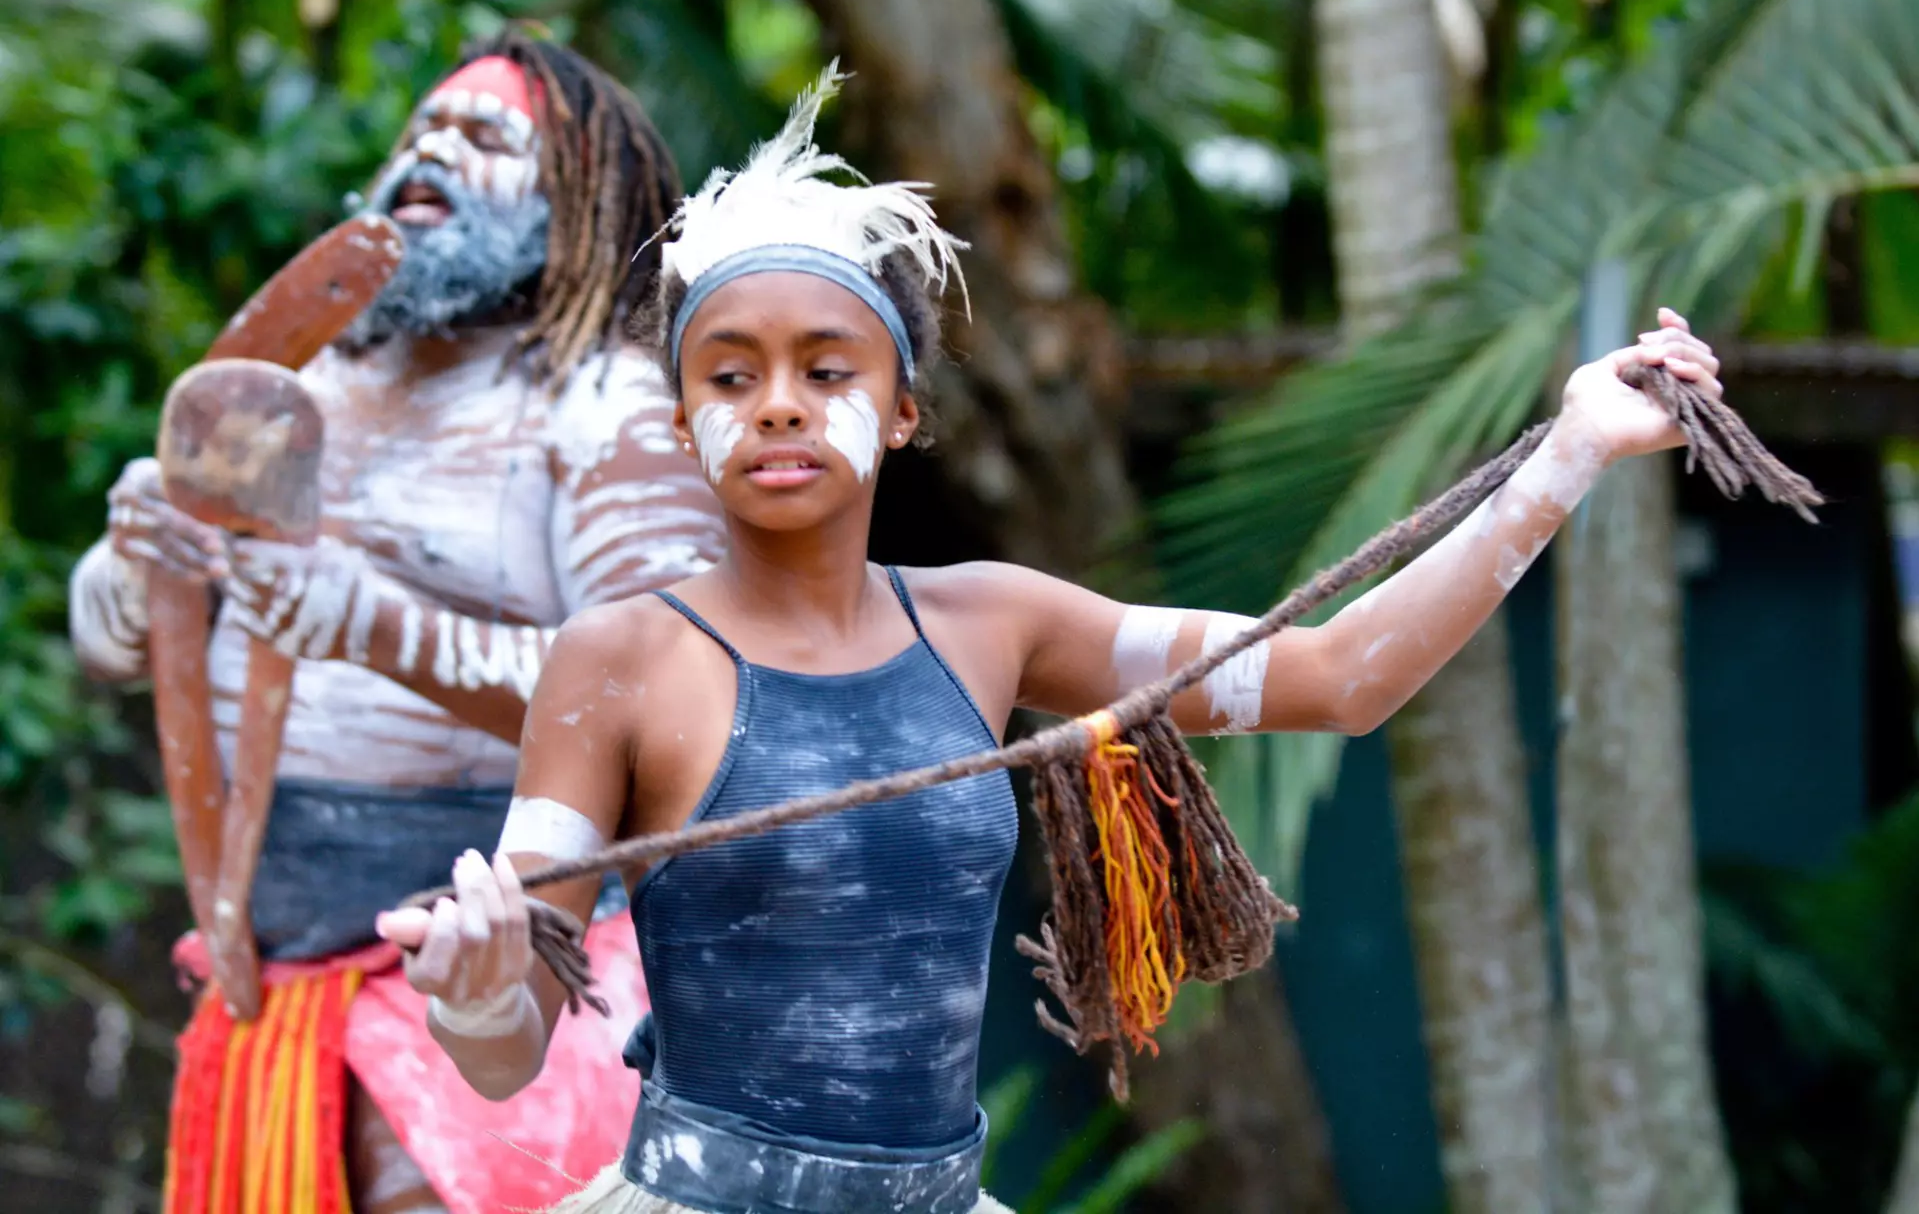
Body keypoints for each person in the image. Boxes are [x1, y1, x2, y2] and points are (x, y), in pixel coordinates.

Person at [374, 68, 1724, 1214]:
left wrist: (1570, 452)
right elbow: (499, 1058)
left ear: (901, 408)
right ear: (680, 422)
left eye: (825, 370)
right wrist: (477, 987)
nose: (776, 406)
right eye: (728, 375)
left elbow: (1335, 677)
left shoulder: (991, 624)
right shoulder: (615, 659)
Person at [67, 33, 727, 1214]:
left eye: (483, 138)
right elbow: (115, 649)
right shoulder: (305, 381)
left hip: (502, 983)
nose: (428, 149)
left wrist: (379, 628)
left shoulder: (604, 401)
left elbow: (678, 703)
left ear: (580, 199)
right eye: (418, 132)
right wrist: (133, 576)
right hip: (266, 978)